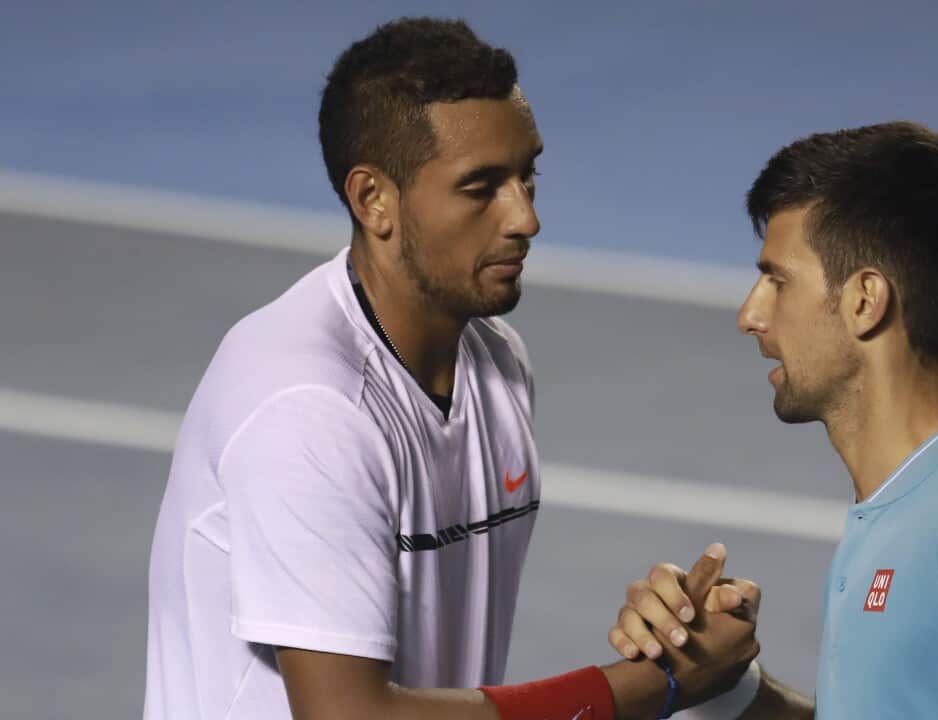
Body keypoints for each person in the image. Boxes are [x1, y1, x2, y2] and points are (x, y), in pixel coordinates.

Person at [142, 17, 757, 720]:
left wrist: (678, 639)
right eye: (481, 187)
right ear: (374, 199)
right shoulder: (306, 407)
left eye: (528, 176)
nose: (525, 217)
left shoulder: (497, 363)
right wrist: (661, 684)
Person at [608, 122, 938, 719]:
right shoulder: (897, 517)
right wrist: (725, 686)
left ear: (865, 300)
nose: (750, 315)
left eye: (777, 280)